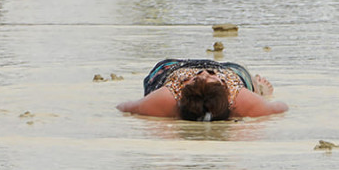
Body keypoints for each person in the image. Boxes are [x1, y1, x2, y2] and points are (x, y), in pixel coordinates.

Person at [117, 59, 288, 120]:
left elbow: (124, 106)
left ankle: (257, 89)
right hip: (229, 71)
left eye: (201, 77)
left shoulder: (167, 98)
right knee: (242, 76)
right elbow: (280, 107)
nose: (204, 71)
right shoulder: (239, 97)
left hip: (174, 67)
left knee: (161, 67)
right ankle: (256, 89)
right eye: (207, 77)